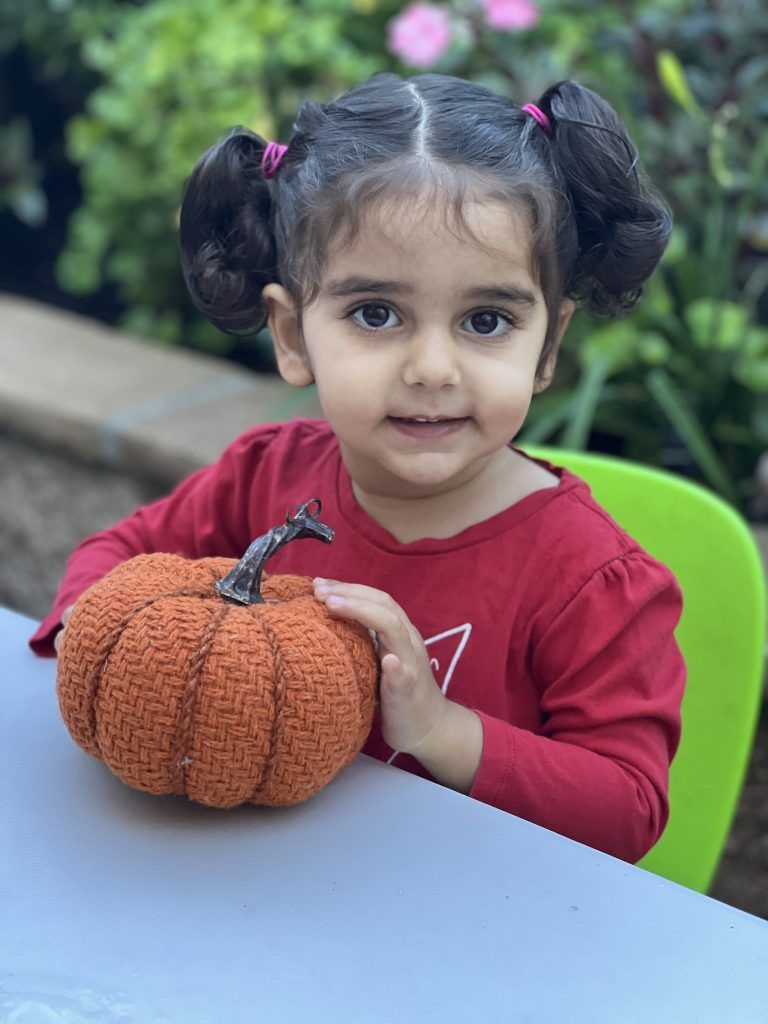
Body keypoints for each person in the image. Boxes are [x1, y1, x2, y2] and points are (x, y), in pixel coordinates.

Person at [31, 72, 685, 863]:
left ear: (547, 347)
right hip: (255, 880)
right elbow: (113, 562)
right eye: (376, 314)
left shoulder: (591, 582)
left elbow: (628, 813)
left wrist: (444, 731)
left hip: (466, 922)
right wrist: (103, 641)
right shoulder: (265, 477)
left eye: (487, 320)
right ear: (293, 335)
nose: (432, 368)